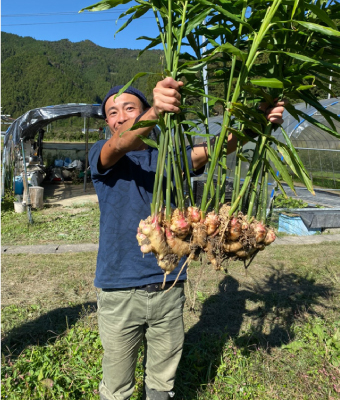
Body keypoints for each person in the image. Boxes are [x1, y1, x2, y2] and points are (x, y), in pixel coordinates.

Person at [89, 77, 285, 400]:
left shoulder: (166, 157)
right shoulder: (103, 155)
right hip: (118, 293)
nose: (120, 116)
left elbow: (217, 147)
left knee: (162, 385)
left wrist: (259, 122)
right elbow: (120, 144)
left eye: (129, 108)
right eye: (112, 112)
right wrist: (154, 112)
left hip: (168, 289)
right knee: (117, 388)